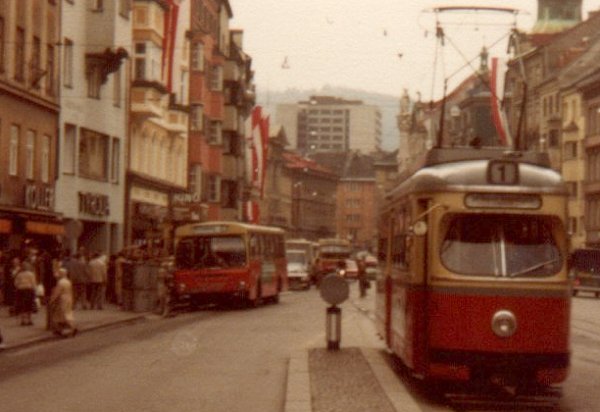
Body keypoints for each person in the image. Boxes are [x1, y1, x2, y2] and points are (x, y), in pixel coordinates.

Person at [49, 267, 77, 337]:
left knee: (63, 314)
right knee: (67, 313)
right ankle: (61, 329)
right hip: (69, 298)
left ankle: (71, 328)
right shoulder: (68, 281)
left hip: (62, 299)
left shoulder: (60, 282)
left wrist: (52, 300)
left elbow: (57, 293)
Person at [14, 261, 37, 326]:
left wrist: (19, 287)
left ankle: (23, 321)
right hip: (29, 290)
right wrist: (34, 291)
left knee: (22, 306)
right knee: (29, 305)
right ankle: (29, 320)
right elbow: (34, 283)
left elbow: (15, 283)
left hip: (21, 291)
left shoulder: (19, 275)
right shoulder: (31, 274)